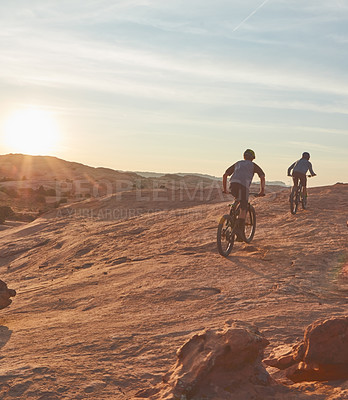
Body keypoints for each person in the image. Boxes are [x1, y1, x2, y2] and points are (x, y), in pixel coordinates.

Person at [223, 149, 265, 239]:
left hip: (232, 185)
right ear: (253, 158)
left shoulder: (238, 163)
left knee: (237, 199)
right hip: (243, 187)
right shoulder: (253, 165)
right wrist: (262, 191)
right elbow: (262, 176)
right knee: (243, 208)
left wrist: (225, 189)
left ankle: (231, 216)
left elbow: (225, 175)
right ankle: (239, 232)